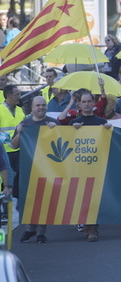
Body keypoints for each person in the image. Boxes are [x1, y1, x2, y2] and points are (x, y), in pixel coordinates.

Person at [70, 91, 112, 242]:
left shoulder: (101, 122)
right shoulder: (73, 124)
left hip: (97, 165)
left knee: (95, 198)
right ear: (79, 104)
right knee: (82, 197)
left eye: (89, 101)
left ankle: (93, 228)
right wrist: (71, 131)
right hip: (80, 165)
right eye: (84, 101)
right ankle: (86, 226)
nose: (87, 104)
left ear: (93, 103)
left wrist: (108, 130)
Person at [14, 96, 56, 243]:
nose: (41, 108)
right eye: (38, 105)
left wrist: (56, 130)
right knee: (28, 200)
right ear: (32, 107)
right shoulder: (24, 124)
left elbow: (63, 142)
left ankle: (40, 232)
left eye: (43, 105)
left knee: (44, 200)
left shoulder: (53, 123)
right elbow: (14, 145)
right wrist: (19, 132)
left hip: (47, 169)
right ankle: (30, 229)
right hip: (27, 168)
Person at [0, 84, 26, 198]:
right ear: (8, 95)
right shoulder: (0, 110)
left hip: (19, 149)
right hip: (4, 150)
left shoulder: (20, 111)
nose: (19, 97)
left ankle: (15, 202)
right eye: (17, 94)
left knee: (19, 179)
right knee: (6, 178)